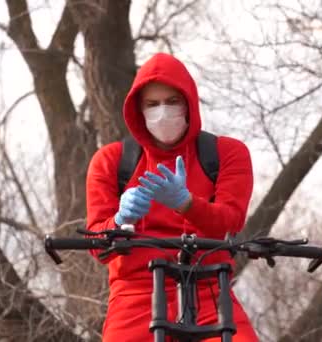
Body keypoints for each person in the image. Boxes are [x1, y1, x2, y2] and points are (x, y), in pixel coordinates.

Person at [85, 52, 258, 341]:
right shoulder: (111, 161)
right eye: (152, 105)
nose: (162, 112)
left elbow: (231, 220)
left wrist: (186, 204)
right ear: (138, 111)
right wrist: (118, 221)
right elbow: (95, 243)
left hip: (210, 290)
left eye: (172, 101)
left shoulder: (226, 153)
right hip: (135, 294)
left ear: (189, 104)